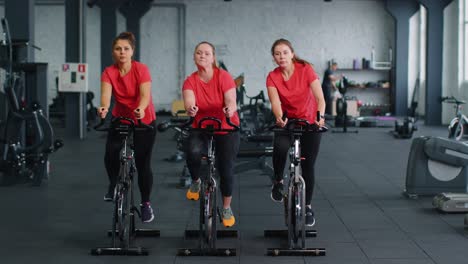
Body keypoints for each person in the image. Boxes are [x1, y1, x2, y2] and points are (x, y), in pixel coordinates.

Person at [97, 32, 157, 223]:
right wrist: (104, 108)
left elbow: (145, 95)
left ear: (132, 51)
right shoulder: (109, 72)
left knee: (142, 163)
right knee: (110, 154)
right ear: (113, 52)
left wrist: (140, 108)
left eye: (126, 49)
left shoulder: (141, 69)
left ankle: (146, 203)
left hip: (143, 118)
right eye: (118, 49)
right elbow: (106, 95)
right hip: (121, 117)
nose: (122, 52)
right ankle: (113, 184)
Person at [266, 38, 326, 226]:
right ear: (274, 58)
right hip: (288, 120)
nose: (281, 56)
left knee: (308, 165)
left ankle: (307, 206)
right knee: (280, 147)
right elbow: (275, 102)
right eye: (277, 54)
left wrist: (320, 116)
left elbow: (320, 97)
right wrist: (278, 117)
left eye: (285, 52)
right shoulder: (273, 76)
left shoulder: (306, 69)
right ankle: (278, 181)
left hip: (310, 120)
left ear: (292, 53)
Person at [182, 41, 240, 228]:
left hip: (226, 126)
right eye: (199, 53)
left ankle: (226, 207)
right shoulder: (190, 80)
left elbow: (231, 99)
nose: (202, 56)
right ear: (194, 57)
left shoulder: (224, 76)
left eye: (207, 53)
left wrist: (229, 109)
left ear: (213, 58)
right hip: (201, 126)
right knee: (192, 151)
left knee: (226, 169)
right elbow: (189, 100)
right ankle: (197, 181)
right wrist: (191, 108)